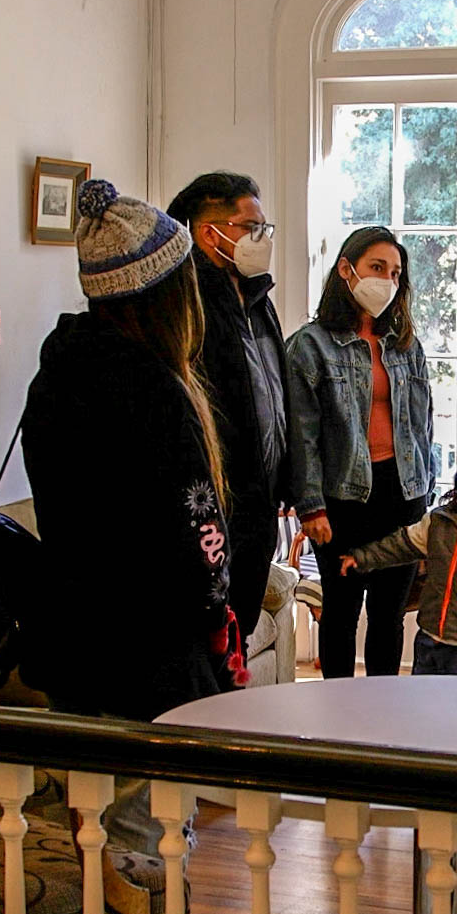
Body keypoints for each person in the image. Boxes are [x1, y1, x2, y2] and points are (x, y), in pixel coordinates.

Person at [23, 180, 246, 914]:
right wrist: (218, 615)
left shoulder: (59, 375)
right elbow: (199, 541)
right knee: (147, 838)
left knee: (86, 835)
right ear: (163, 292)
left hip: (78, 646)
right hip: (150, 660)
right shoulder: (154, 389)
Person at [285, 226, 436, 678]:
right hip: (340, 501)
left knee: (390, 614)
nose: (387, 280)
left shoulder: (407, 345)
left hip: (403, 493)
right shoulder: (309, 346)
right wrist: (310, 506)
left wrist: (429, 496)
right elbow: (302, 436)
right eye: (377, 267)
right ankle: (338, 717)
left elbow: (424, 425)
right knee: (342, 611)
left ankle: (381, 715)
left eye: (395, 272)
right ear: (346, 270)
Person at [166, 173, 286, 639]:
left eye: (264, 228)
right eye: (250, 227)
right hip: (217, 504)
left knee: (242, 631)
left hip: (261, 504)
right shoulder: (186, 302)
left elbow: (274, 394)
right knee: (213, 636)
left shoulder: (258, 298)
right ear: (207, 232)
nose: (262, 239)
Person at [342, 440, 457, 675]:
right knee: (424, 705)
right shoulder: (439, 523)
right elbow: (401, 544)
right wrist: (363, 558)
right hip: (428, 639)